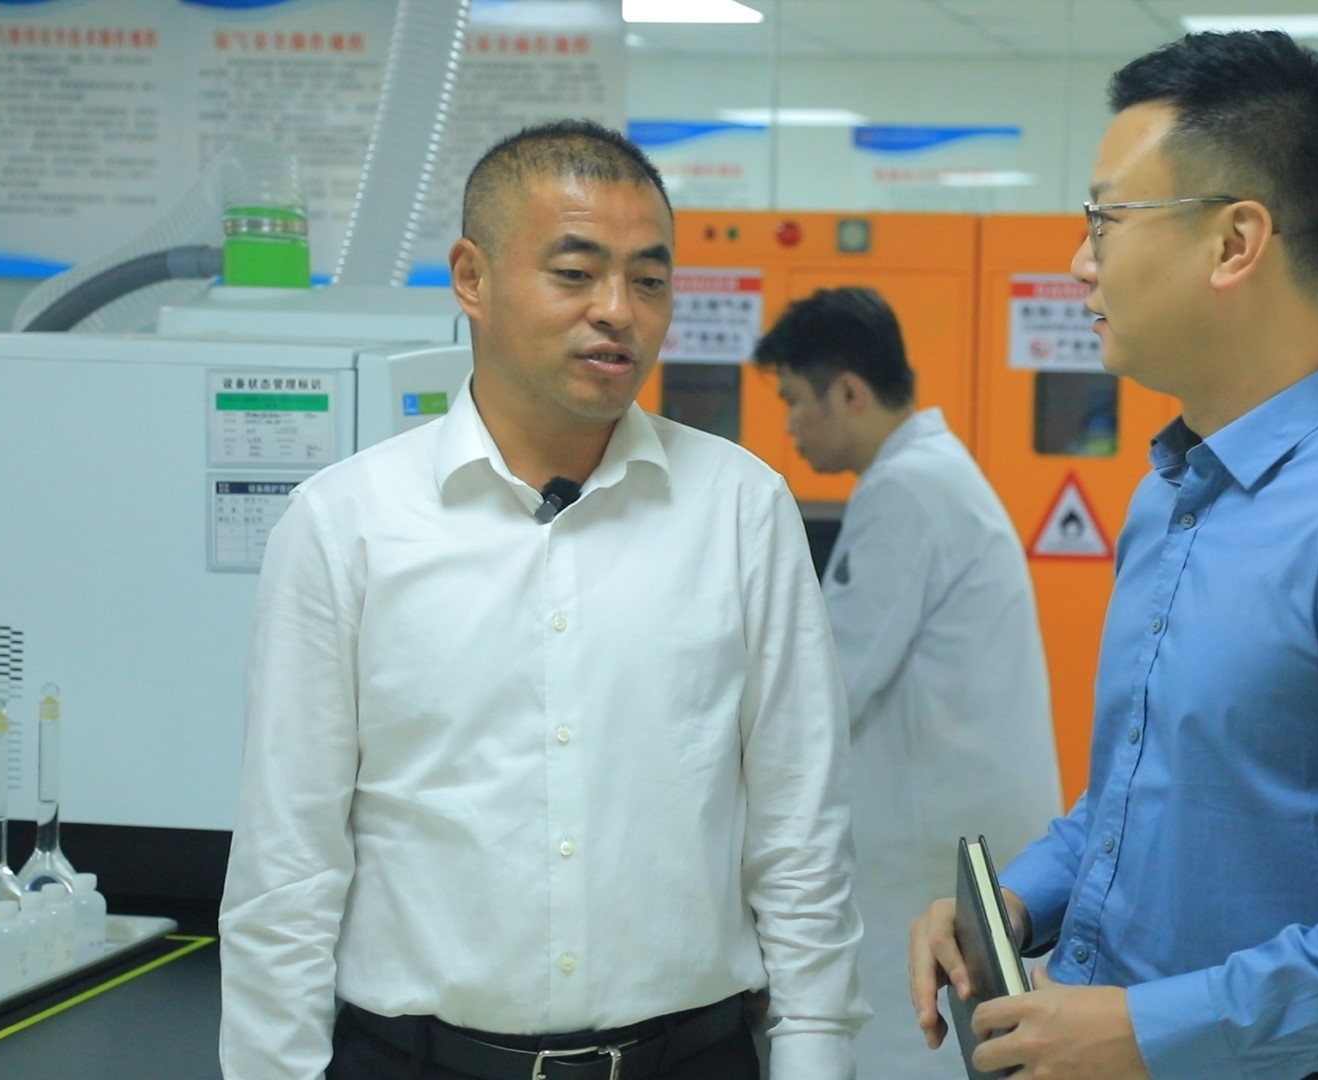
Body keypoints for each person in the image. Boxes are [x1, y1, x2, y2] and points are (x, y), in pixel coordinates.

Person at [909, 32, 1318, 1080]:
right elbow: (1138, 797)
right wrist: (1018, 901)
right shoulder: (1171, 495)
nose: (1080, 263)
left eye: (1105, 220)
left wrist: (1157, 1029)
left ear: (1234, 241)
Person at [219, 119, 869, 1080]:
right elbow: (290, 863)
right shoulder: (347, 523)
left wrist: (815, 1053)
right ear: (472, 278)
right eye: (575, 273)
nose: (618, 311)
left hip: (688, 1059)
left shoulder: (739, 509)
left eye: (649, 281)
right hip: (417, 1062)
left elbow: (799, 829)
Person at [753, 287, 1063, 1079]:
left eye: (795, 400)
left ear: (849, 392)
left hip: (929, 855)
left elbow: (825, 686)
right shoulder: (931, 475)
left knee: (910, 1044)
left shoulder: (907, 491)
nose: (790, 424)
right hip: (948, 838)